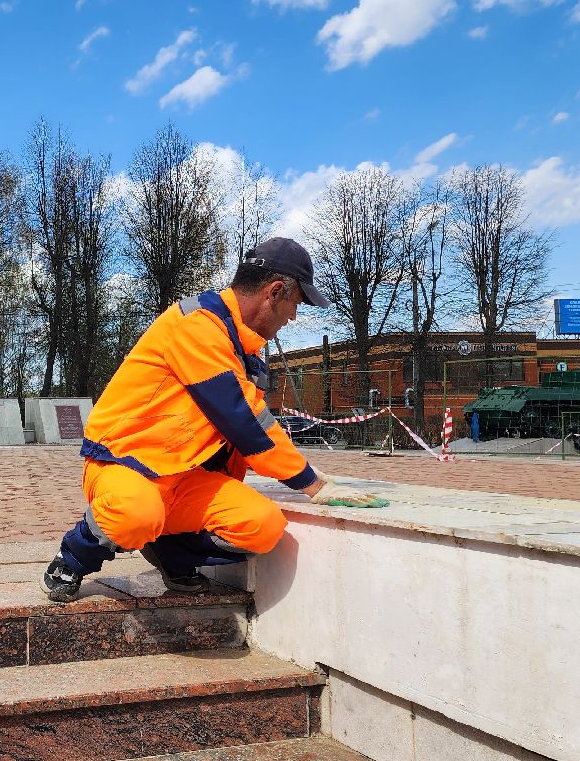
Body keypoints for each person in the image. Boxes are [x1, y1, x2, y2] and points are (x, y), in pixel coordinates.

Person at [42, 237, 389, 603]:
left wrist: (312, 478)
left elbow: (257, 426)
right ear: (274, 291)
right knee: (135, 513)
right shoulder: (197, 327)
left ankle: (170, 551)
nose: (293, 317)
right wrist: (313, 485)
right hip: (127, 466)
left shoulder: (242, 349)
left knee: (263, 527)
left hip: (186, 479)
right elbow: (244, 421)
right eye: (295, 303)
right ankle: (74, 556)